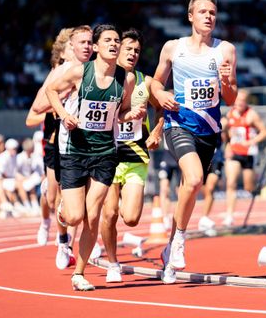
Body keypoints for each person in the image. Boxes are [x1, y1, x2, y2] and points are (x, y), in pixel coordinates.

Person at [46, 23, 144, 291]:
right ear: (97, 47)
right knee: (76, 216)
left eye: (116, 40)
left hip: (104, 153)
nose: (114, 44)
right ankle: (63, 212)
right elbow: (51, 90)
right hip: (75, 150)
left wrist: (130, 115)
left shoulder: (127, 79)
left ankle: (79, 273)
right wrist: (64, 115)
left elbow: (119, 113)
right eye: (108, 41)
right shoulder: (79, 72)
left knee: (93, 214)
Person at [151, 0, 237, 284]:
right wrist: (161, 94)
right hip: (179, 124)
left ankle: (170, 253)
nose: (209, 17)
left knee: (192, 186)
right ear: (191, 16)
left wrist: (226, 81)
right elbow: (154, 82)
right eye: (203, 12)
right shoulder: (173, 48)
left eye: (212, 13)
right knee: (195, 178)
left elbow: (232, 97)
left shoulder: (225, 50)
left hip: (209, 131)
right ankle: (179, 241)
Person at [100, 28, 163, 283]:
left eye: (137, 51)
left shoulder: (145, 82)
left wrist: (157, 131)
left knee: (132, 218)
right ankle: (113, 263)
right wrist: (124, 116)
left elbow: (161, 110)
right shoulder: (105, 81)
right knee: (110, 213)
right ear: (117, 51)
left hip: (136, 154)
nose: (133, 54)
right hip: (108, 153)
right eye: (128, 49)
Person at [26, 27, 88, 266]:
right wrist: (58, 103)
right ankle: (57, 232)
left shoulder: (89, 70)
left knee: (80, 199)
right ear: (66, 49)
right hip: (55, 143)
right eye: (77, 44)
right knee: (54, 200)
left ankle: (71, 244)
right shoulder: (58, 74)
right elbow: (35, 110)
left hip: (82, 143)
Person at [222, 90, 266, 227]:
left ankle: (261, 186)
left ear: (246, 102)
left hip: (248, 153)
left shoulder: (251, 115)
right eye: (237, 102)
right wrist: (227, 142)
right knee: (231, 183)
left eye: (242, 102)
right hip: (234, 152)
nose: (239, 104)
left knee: (249, 187)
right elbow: (227, 135)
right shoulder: (230, 114)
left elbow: (264, 132)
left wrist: (251, 142)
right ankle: (229, 215)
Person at [158, 146, 180, 230]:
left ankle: (179, 218)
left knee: (180, 191)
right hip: (167, 155)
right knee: (164, 189)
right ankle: (165, 217)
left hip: (180, 153)